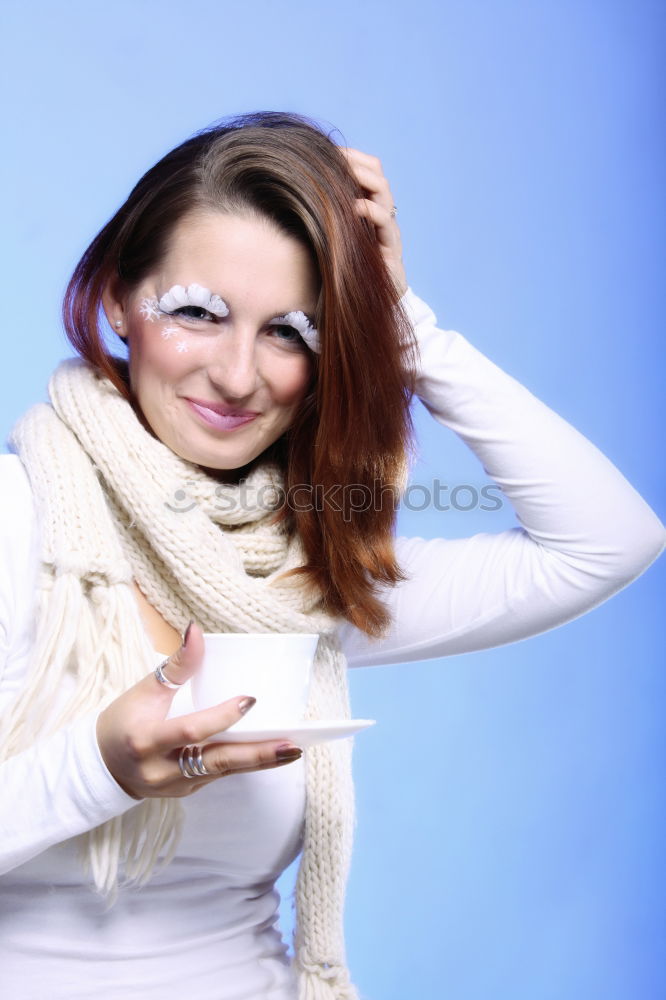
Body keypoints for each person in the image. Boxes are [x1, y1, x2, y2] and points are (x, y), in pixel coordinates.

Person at [0, 110, 663, 1000]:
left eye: (291, 332)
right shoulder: (18, 522)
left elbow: (607, 540)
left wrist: (404, 325)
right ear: (121, 299)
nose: (240, 376)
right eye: (197, 312)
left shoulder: (307, 574)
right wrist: (100, 770)